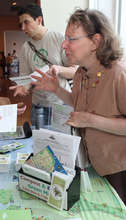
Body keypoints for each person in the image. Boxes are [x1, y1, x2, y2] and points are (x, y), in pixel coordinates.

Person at [32, 9, 126, 204]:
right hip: (93, 163)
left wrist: (91, 120)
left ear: (96, 42)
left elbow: (87, 116)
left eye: (71, 39)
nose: (64, 45)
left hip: (119, 168)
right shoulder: (81, 73)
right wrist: (56, 89)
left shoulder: (119, 74)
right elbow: (78, 104)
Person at [10, 3, 77, 127]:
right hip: (38, 106)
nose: (23, 28)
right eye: (21, 24)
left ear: (39, 20)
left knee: (61, 144)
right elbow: (25, 76)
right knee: (40, 144)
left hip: (61, 103)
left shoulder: (58, 38)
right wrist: (24, 87)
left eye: (26, 22)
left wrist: (58, 69)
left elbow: (75, 71)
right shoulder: (25, 47)